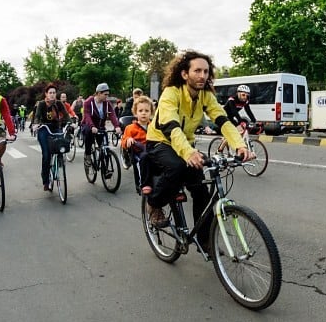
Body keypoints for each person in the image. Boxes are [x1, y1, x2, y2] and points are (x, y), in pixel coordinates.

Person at [145, 50, 251, 239]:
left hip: (186, 144)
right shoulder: (171, 93)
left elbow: (223, 120)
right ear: (185, 74)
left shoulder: (206, 95)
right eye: (197, 71)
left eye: (206, 71)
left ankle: (204, 241)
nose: (202, 75)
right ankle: (154, 203)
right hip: (160, 141)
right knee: (177, 167)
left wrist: (240, 146)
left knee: (201, 190)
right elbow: (170, 126)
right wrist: (188, 153)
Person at [32, 84, 70, 191]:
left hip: (55, 128)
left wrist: (71, 123)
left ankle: (59, 161)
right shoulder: (42, 104)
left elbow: (66, 115)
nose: (52, 95)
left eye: (54, 93)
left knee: (61, 145)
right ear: (46, 94)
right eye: (50, 93)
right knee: (47, 154)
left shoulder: (58, 103)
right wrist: (36, 124)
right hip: (44, 129)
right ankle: (46, 180)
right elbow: (37, 116)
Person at [81, 83, 122, 172]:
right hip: (88, 125)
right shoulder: (88, 102)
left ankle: (105, 170)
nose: (107, 97)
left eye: (107, 94)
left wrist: (117, 126)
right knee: (89, 134)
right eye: (105, 94)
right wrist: (92, 126)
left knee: (105, 148)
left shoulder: (107, 104)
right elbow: (87, 115)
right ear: (98, 93)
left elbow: (112, 115)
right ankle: (88, 155)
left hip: (100, 127)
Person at [120, 95, 154, 193]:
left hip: (153, 149)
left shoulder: (153, 126)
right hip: (139, 152)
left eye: (147, 111)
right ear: (135, 113)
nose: (143, 113)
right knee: (144, 158)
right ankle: (144, 183)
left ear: (151, 113)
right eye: (140, 111)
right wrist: (128, 139)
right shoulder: (130, 128)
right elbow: (123, 141)